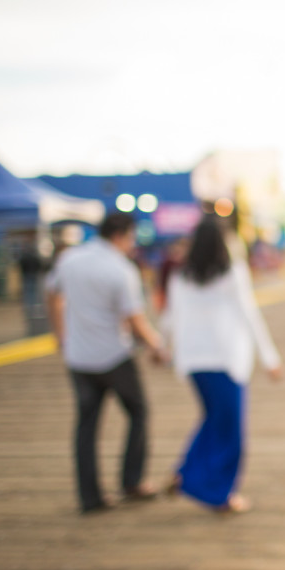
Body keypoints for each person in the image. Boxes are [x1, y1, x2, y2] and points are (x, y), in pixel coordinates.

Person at [46, 212, 167, 514]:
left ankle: (90, 497)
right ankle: (132, 481)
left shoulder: (70, 259)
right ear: (120, 235)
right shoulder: (121, 269)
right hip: (114, 356)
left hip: (79, 357)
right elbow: (135, 319)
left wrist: (61, 334)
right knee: (138, 412)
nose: (132, 244)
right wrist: (156, 346)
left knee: (86, 425)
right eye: (131, 237)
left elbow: (52, 294)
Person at [166, 216, 283, 513]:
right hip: (226, 360)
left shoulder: (181, 276)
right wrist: (270, 358)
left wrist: (162, 347)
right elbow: (249, 315)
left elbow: (171, 318)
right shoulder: (233, 273)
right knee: (230, 429)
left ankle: (185, 472)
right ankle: (221, 494)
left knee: (213, 418)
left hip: (193, 361)